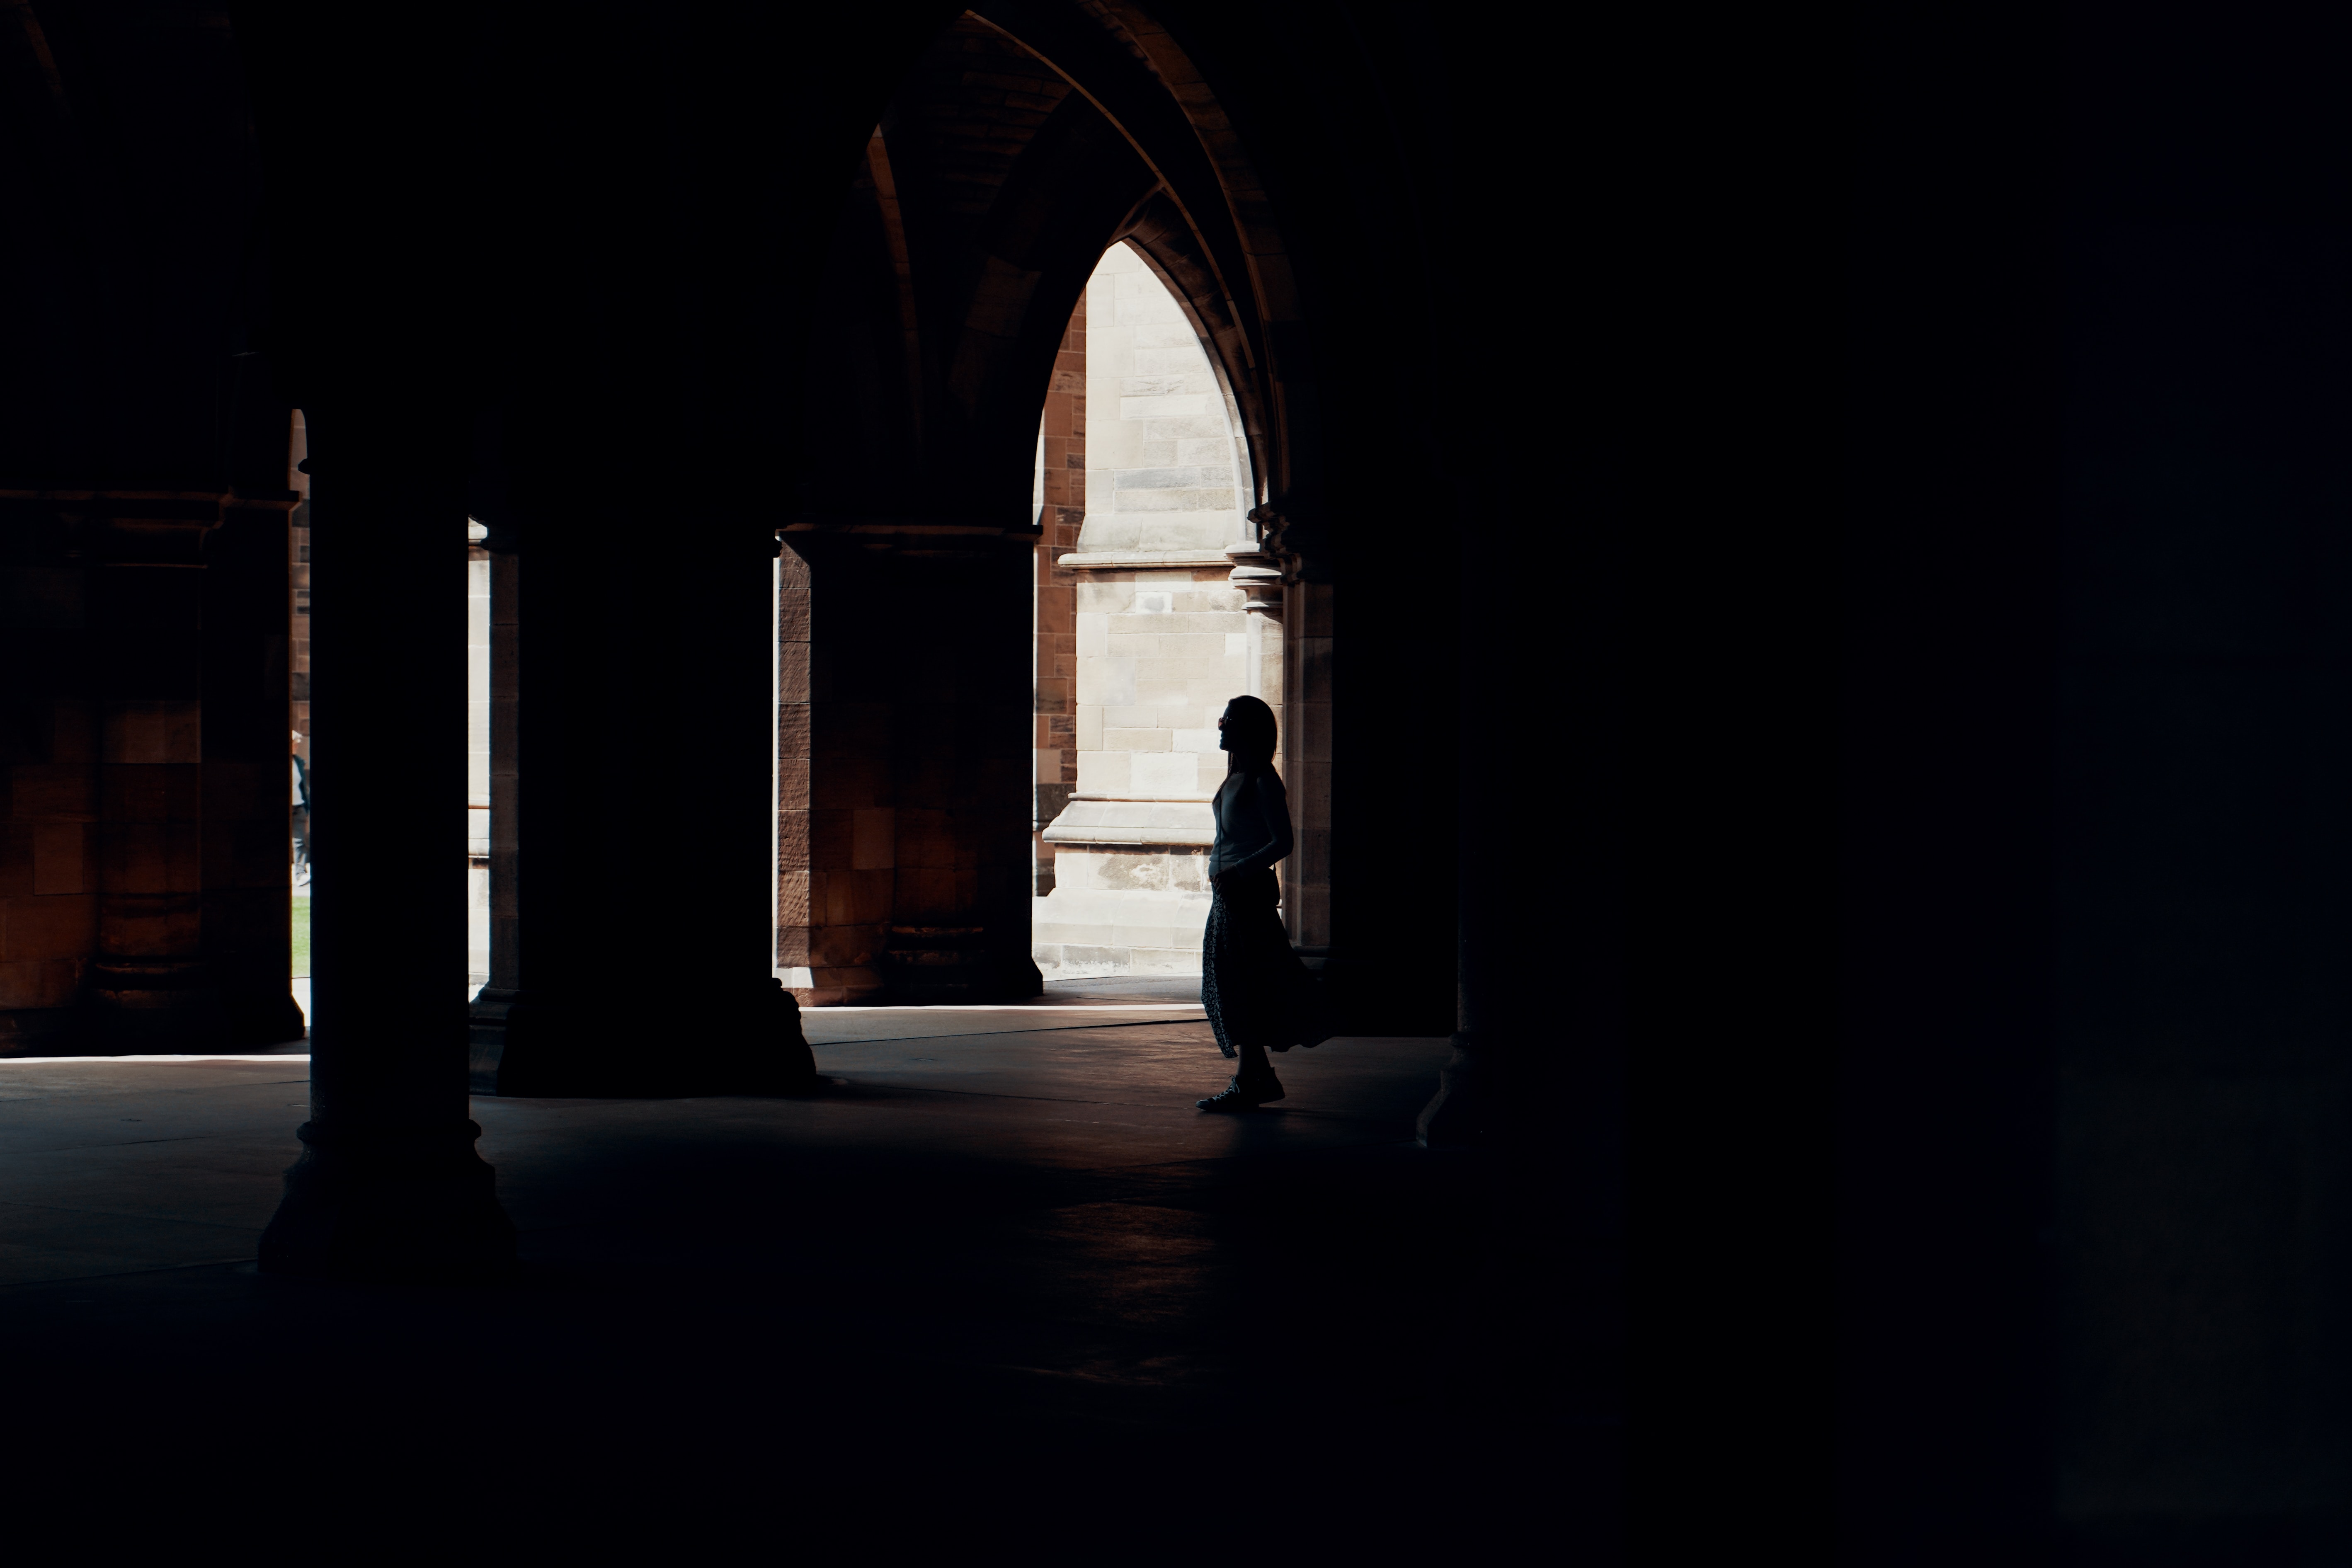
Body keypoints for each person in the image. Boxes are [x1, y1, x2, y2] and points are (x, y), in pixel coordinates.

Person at [1196, 694, 1325, 1111]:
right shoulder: (1235, 776)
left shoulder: (1262, 780)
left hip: (1244, 895)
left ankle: (1253, 1079)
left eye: (1227, 720)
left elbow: (1282, 842)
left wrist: (1240, 871)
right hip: (1228, 895)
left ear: (1248, 729)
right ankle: (1255, 1077)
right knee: (1230, 982)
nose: (1221, 726)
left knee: (1244, 982)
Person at [290, 730, 310, 886]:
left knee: (300, 842)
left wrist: (306, 805)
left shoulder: (298, 762)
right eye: (295, 743)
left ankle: (300, 873)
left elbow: (302, 785)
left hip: (299, 807)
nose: (297, 746)